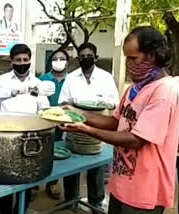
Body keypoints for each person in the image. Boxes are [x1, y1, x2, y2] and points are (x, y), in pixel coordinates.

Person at [60, 26, 179, 214]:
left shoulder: (164, 92)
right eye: (126, 58)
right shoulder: (134, 89)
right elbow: (116, 123)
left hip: (145, 190)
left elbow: (136, 140)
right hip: (122, 183)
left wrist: (85, 129)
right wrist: (77, 113)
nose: (129, 64)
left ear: (153, 55)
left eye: (133, 58)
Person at [58, 42, 119, 213]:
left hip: (99, 127)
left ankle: (96, 201)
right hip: (75, 124)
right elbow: (63, 101)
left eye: (89, 56)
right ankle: (70, 201)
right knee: (72, 164)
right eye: (82, 56)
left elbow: (115, 101)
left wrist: (101, 103)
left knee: (96, 164)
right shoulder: (71, 77)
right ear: (78, 58)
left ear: (96, 57)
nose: (85, 59)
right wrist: (72, 107)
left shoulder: (106, 77)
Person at [0, 44, 53, 214]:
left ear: (30, 60)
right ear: (12, 61)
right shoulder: (1, 81)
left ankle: (22, 208)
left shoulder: (38, 83)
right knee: (4, 175)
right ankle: (3, 210)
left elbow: (43, 108)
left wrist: (47, 115)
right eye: (18, 60)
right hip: (5, 135)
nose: (22, 63)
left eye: (25, 60)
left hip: (30, 137)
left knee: (27, 175)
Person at [39, 49, 70, 200]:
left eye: (62, 58)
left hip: (64, 123)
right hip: (44, 122)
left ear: (67, 61)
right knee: (40, 152)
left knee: (58, 153)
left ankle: (52, 184)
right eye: (55, 58)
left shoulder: (72, 80)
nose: (58, 61)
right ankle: (32, 187)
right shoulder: (43, 79)